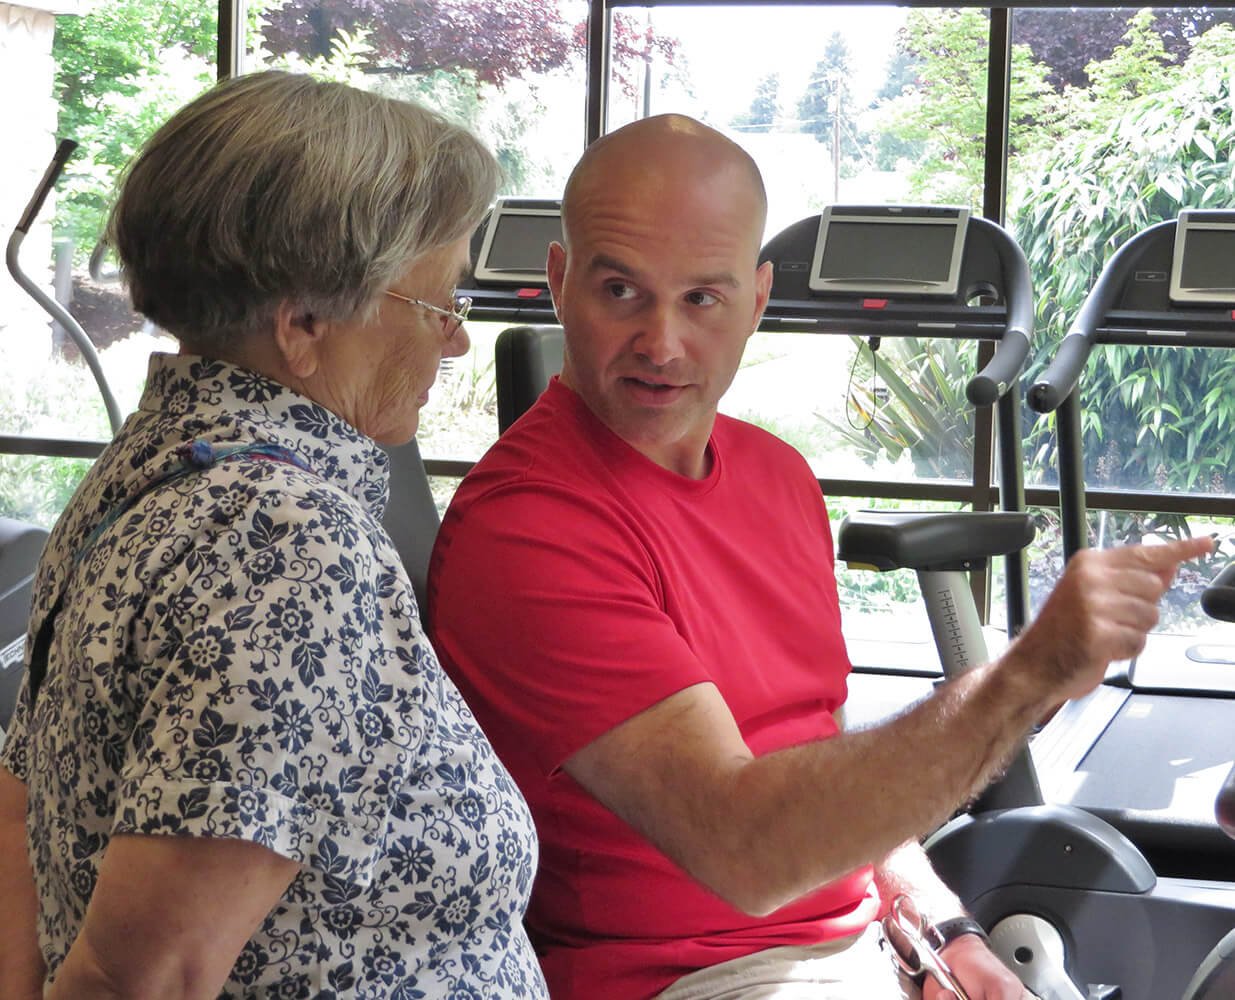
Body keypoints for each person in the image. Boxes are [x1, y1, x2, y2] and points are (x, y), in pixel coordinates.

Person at [426, 113, 1213, 1000]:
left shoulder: (779, 477)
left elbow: (823, 762)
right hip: (686, 978)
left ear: (756, 302)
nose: (662, 343)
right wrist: (1024, 677)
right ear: (560, 283)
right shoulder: (528, 527)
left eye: (702, 298)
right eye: (620, 292)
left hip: (859, 946)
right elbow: (744, 850)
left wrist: (938, 922)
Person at [0, 71, 548, 1000]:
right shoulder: (284, 540)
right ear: (303, 324)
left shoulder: (147, 467)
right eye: (440, 303)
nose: (454, 342)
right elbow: (147, 979)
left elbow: (18, 817)